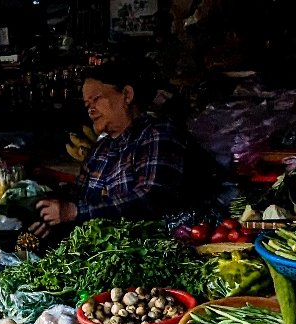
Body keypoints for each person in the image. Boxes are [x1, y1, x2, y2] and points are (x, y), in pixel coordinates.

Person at [32, 62, 202, 236]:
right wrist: (49, 213)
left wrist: (73, 211)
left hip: (148, 244)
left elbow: (152, 198)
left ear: (127, 95)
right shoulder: (101, 149)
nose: (91, 110)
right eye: (87, 105)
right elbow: (78, 194)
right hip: (101, 245)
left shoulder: (157, 134)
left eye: (96, 99)